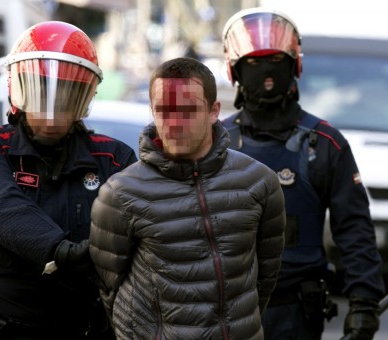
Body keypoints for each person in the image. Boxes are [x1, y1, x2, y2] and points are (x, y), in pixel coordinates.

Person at [0, 21, 137, 339]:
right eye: (41, 92)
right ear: (18, 89)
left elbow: (139, 232)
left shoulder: (114, 158)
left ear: (84, 98)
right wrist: (60, 250)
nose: (52, 110)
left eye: (65, 95)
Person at [89, 57, 286, 339]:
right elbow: (109, 289)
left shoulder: (259, 182)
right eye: (164, 110)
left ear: (214, 111)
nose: (174, 123)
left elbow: (265, 278)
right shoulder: (121, 194)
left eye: (188, 110)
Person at [221, 7, 386, 340]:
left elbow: (354, 229)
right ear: (234, 70)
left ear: (293, 65)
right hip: (223, 312)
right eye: (253, 63)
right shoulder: (215, 142)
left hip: (297, 315)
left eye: (275, 61)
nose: (266, 72)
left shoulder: (325, 144)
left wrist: (364, 303)